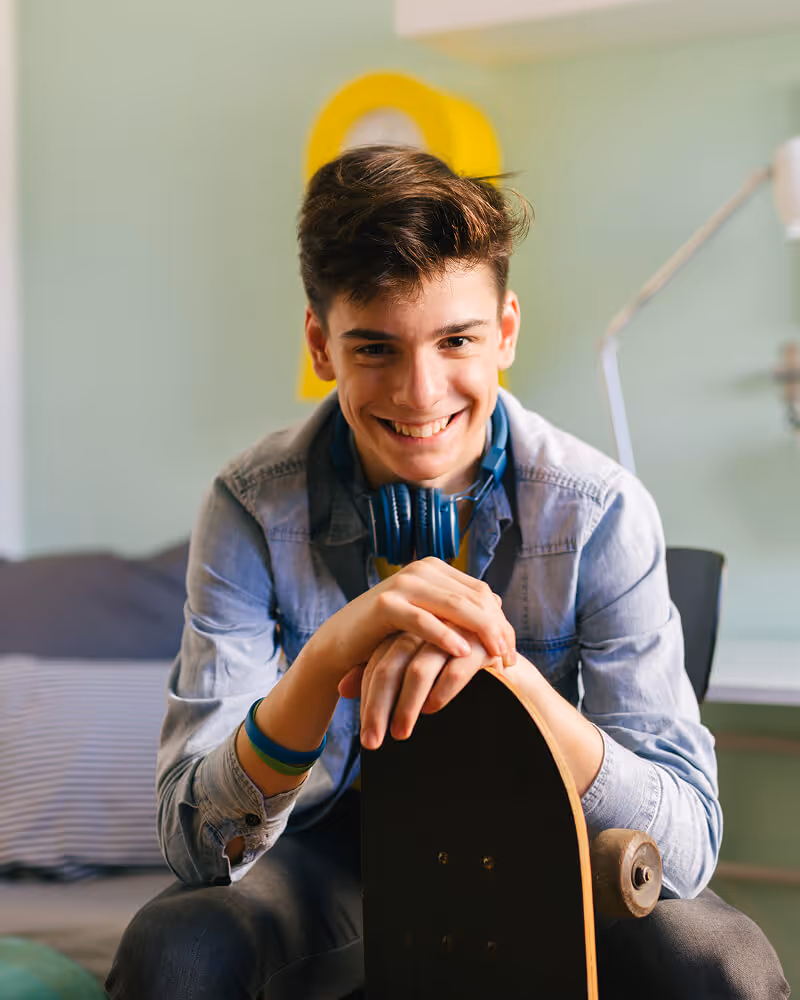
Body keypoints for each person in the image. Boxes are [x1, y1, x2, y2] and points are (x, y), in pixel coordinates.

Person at [107, 146, 789, 1000]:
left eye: (456, 340)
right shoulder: (249, 506)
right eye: (375, 349)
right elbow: (195, 842)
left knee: (718, 963)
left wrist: (505, 678)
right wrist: (324, 661)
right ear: (321, 345)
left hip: (548, 843)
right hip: (325, 854)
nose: (420, 394)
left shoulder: (601, 510)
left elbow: (687, 842)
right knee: (177, 949)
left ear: (505, 330)